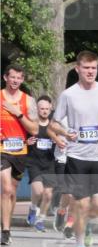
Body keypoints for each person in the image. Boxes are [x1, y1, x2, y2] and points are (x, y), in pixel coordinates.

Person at [47, 52, 98, 247]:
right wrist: (64, 133)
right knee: (81, 204)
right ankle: (79, 246)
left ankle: (85, 222)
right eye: (86, 68)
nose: (90, 72)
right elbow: (54, 123)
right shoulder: (68, 95)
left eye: (94, 68)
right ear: (77, 68)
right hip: (77, 157)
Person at [1, 64, 39, 244]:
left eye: (19, 78)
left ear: (22, 80)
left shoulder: (28, 101)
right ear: (5, 78)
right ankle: (6, 230)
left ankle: (6, 222)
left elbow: (35, 129)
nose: (15, 81)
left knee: (13, 192)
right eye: (12, 77)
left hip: (21, 151)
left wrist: (18, 114)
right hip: (2, 150)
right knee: (6, 188)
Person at [25, 95, 56, 232]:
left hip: (49, 163)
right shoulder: (31, 124)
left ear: (51, 108)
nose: (44, 111)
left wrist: (58, 142)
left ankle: (40, 220)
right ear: (37, 109)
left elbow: (63, 139)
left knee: (48, 194)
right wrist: (27, 142)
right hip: (34, 162)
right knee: (38, 191)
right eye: (41, 108)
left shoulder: (55, 125)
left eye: (46, 109)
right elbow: (22, 140)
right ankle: (33, 208)